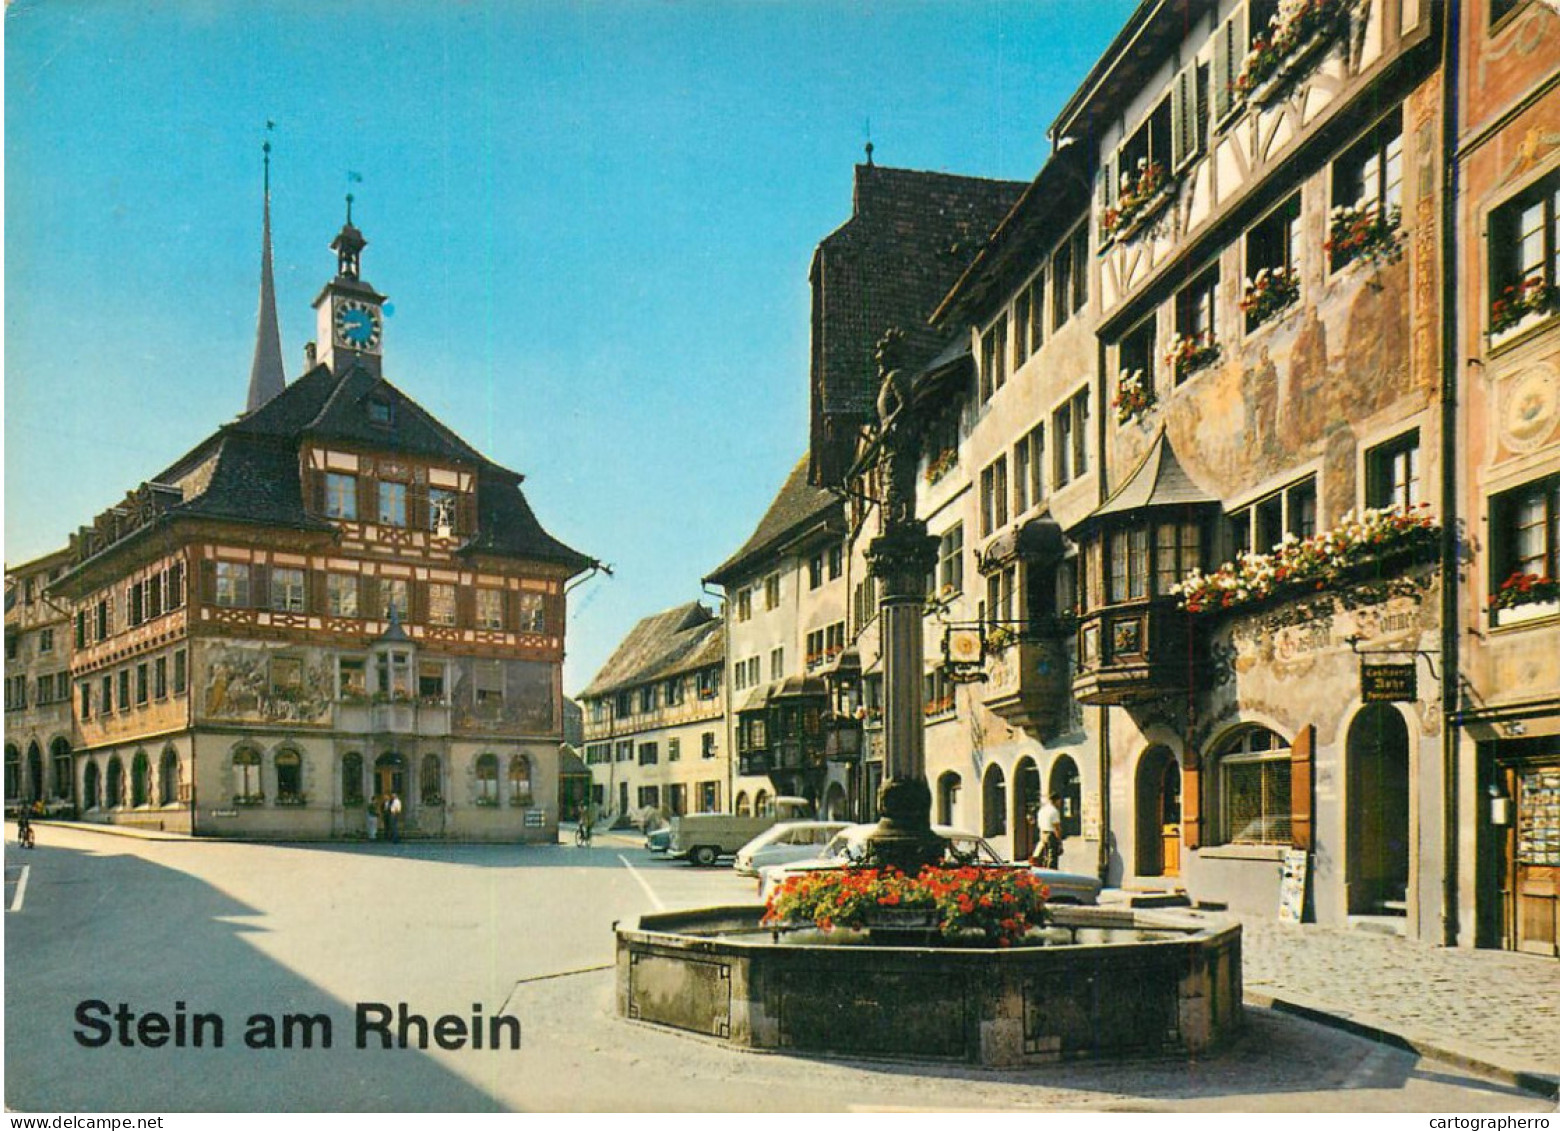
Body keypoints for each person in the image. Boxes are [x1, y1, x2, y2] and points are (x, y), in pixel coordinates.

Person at [1033, 792, 1064, 869]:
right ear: (1056, 800)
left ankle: (1045, 868)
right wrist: (1059, 841)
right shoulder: (1054, 811)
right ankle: (1052, 871)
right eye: (1059, 801)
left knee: (1045, 855)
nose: (1060, 803)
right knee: (1052, 856)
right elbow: (1056, 827)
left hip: (1043, 833)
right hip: (1051, 834)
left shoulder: (1042, 810)